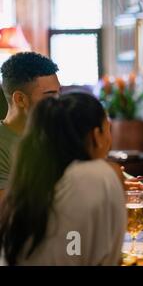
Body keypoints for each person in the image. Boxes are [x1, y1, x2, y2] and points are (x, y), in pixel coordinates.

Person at [0, 93, 126, 265]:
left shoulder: (32, 177)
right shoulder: (98, 175)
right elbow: (110, 258)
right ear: (96, 136)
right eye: (108, 129)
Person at [0, 52, 60, 198]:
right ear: (20, 99)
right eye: (50, 95)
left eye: (59, 93)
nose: (59, 102)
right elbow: (6, 213)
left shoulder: (53, 134)